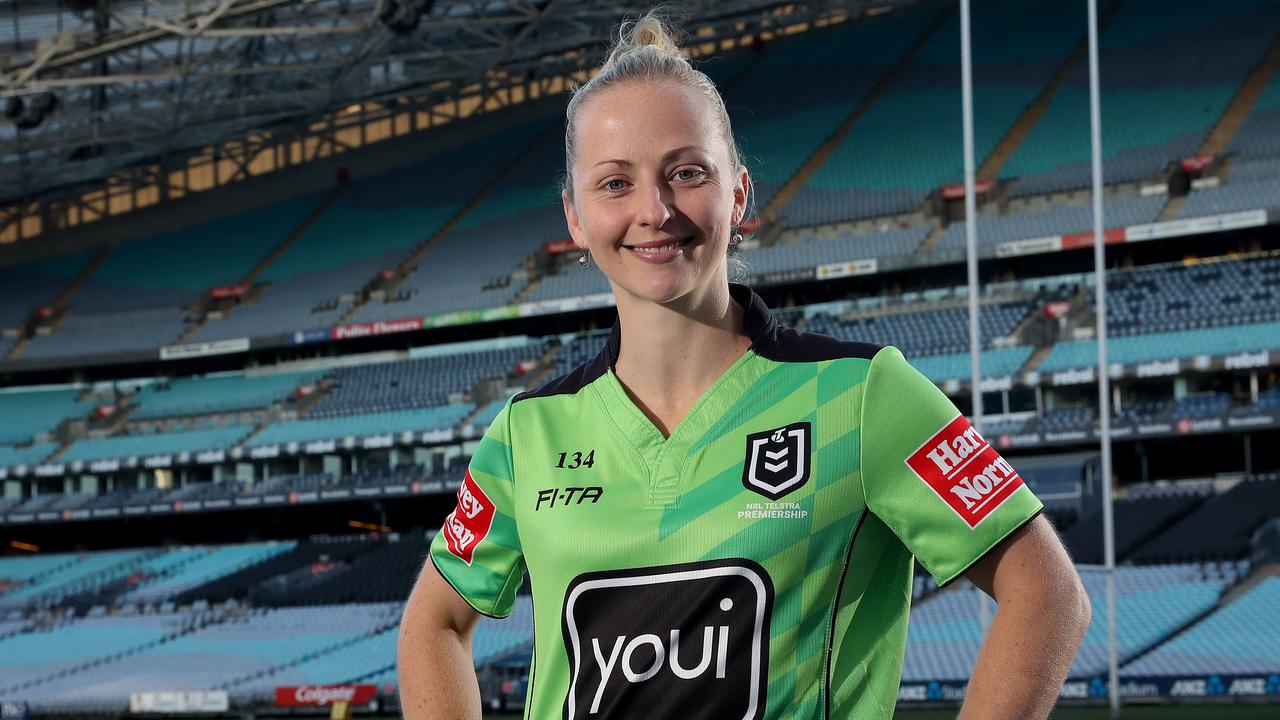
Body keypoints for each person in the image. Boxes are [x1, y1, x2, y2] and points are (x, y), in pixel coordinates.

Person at [399, 11, 1090, 719]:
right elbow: (434, 624)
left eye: (687, 172)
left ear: (738, 193)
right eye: (615, 184)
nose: (656, 210)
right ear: (574, 217)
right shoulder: (526, 435)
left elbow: (1046, 591)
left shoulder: (861, 395)